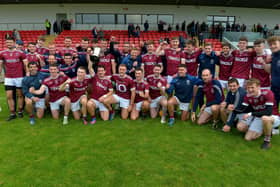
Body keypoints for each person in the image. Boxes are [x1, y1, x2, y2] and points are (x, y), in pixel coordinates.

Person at [233, 78, 275, 144]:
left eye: (252, 87)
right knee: (240, 127)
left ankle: (266, 133)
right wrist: (231, 109)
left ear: (258, 87)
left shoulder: (267, 93)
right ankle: (255, 129)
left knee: (248, 138)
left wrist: (250, 114)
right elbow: (243, 109)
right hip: (256, 115)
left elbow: (268, 112)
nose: (250, 90)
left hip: (268, 116)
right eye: (248, 88)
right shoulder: (248, 95)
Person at [0, 37, 28, 121]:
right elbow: (0, 65)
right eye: (7, 42)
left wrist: (27, 74)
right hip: (8, 78)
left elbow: (26, 64)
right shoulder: (2, 53)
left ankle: (20, 111)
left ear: (14, 43)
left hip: (19, 77)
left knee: (20, 95)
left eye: (10, 42)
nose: (9, 44)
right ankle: (12, 113)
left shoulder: (21, 53)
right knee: (9, 96)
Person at [262, 36, 280, 135]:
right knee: (275, 107)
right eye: (271, 45)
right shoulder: (273, 55)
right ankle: (276, 127)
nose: (272, 46)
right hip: (274, 86)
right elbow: (269, 71)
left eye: (275, 44)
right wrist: (265, 62)